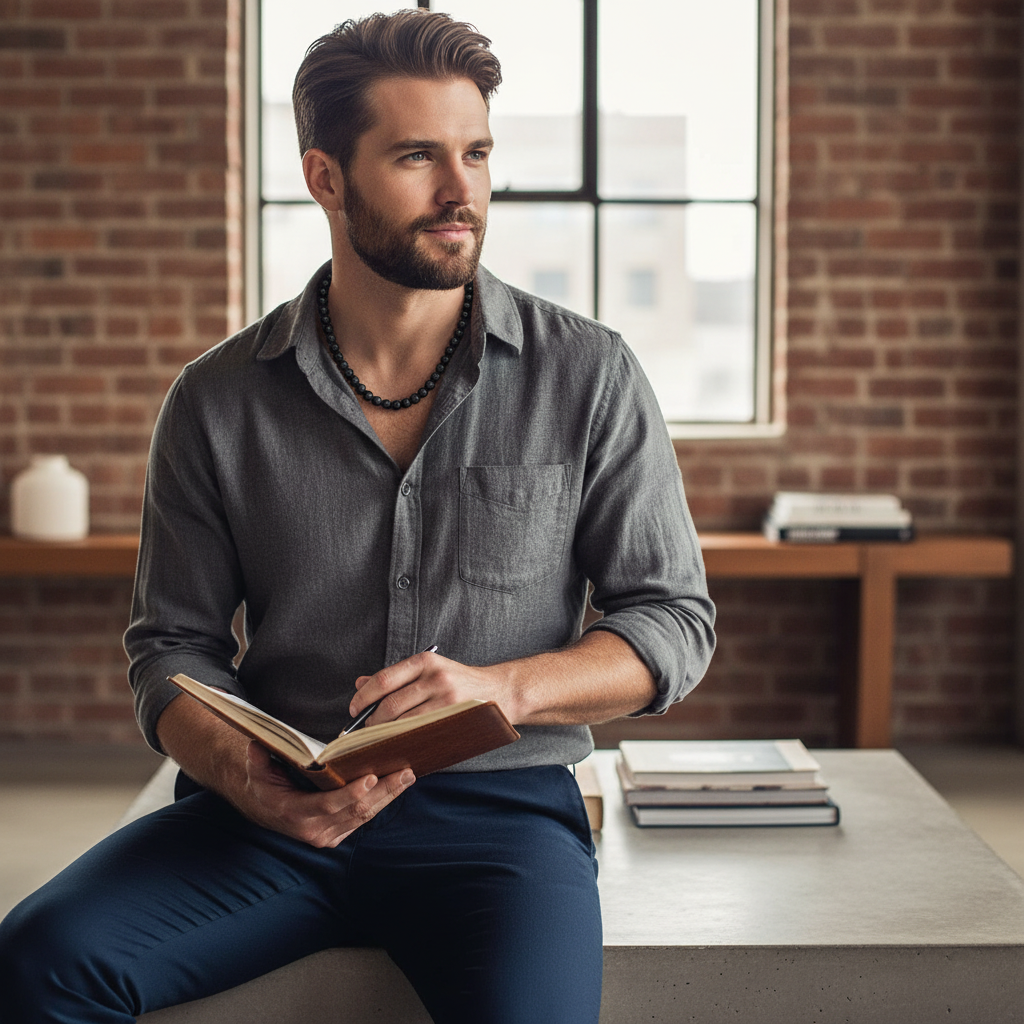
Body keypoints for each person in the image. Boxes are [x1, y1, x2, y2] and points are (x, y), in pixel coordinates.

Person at [0, 10, 715, 1023]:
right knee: (36, 962)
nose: (462, 191)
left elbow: (672, 621)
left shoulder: (588, 374)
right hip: (264, 821)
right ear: (326, 178)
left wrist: (501, 689)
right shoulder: (215, 400)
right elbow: (170, 648)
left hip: (499, 823)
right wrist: (239, 774)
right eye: (418, 156)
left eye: (476, 154)